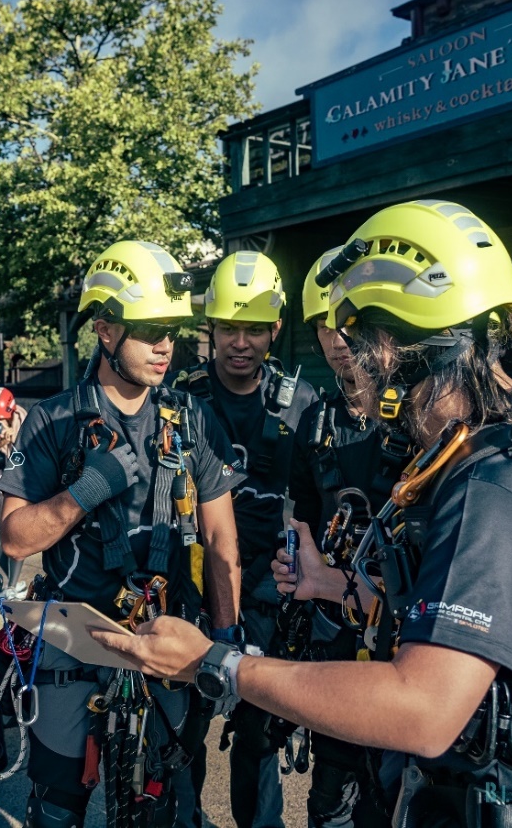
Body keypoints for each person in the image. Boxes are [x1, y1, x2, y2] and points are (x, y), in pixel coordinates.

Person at [95, 200, 512, 828]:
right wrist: (332, 586)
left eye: (361, 338)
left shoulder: (486, 494)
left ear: (406, 343)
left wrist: (214, 663)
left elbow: (422, 707)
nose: (351, 359)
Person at [0, 240, 244, 828]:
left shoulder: (191, 418)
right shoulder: (54, 419)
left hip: (166, 637)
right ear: (106, 332)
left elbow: (221, 540)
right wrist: (85, 491)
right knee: (57, 809)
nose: (167, 346)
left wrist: (228, 638)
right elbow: (13, 538)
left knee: (159, 807)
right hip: (75, 641)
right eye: (151, 329)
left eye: (173, 331)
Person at [170, 250, 316, 828]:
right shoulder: (179, 401)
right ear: (210, 329)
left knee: (258, 736)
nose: (240, 341)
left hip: (267, 594)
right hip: (190, 585)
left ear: (275, 329)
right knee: (182, 733)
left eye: (254, 328)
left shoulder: (303, 406)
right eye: (229, 326)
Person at [286, 250, 414, 828]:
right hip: (335, 627)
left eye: (350, 323)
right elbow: (303, 517)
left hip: (405, 629)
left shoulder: (419, 419)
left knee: (399, 793)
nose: (339, 338)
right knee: (331, 794)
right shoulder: (314, 421)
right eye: (325, 325)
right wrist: (293, 568)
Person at [0, 385, 29, 598]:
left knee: (15, 533)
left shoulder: (24, 420)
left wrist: (15, 439)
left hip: (21, 486)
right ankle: (13, 581)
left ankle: (12, 586)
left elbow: (31, 452)